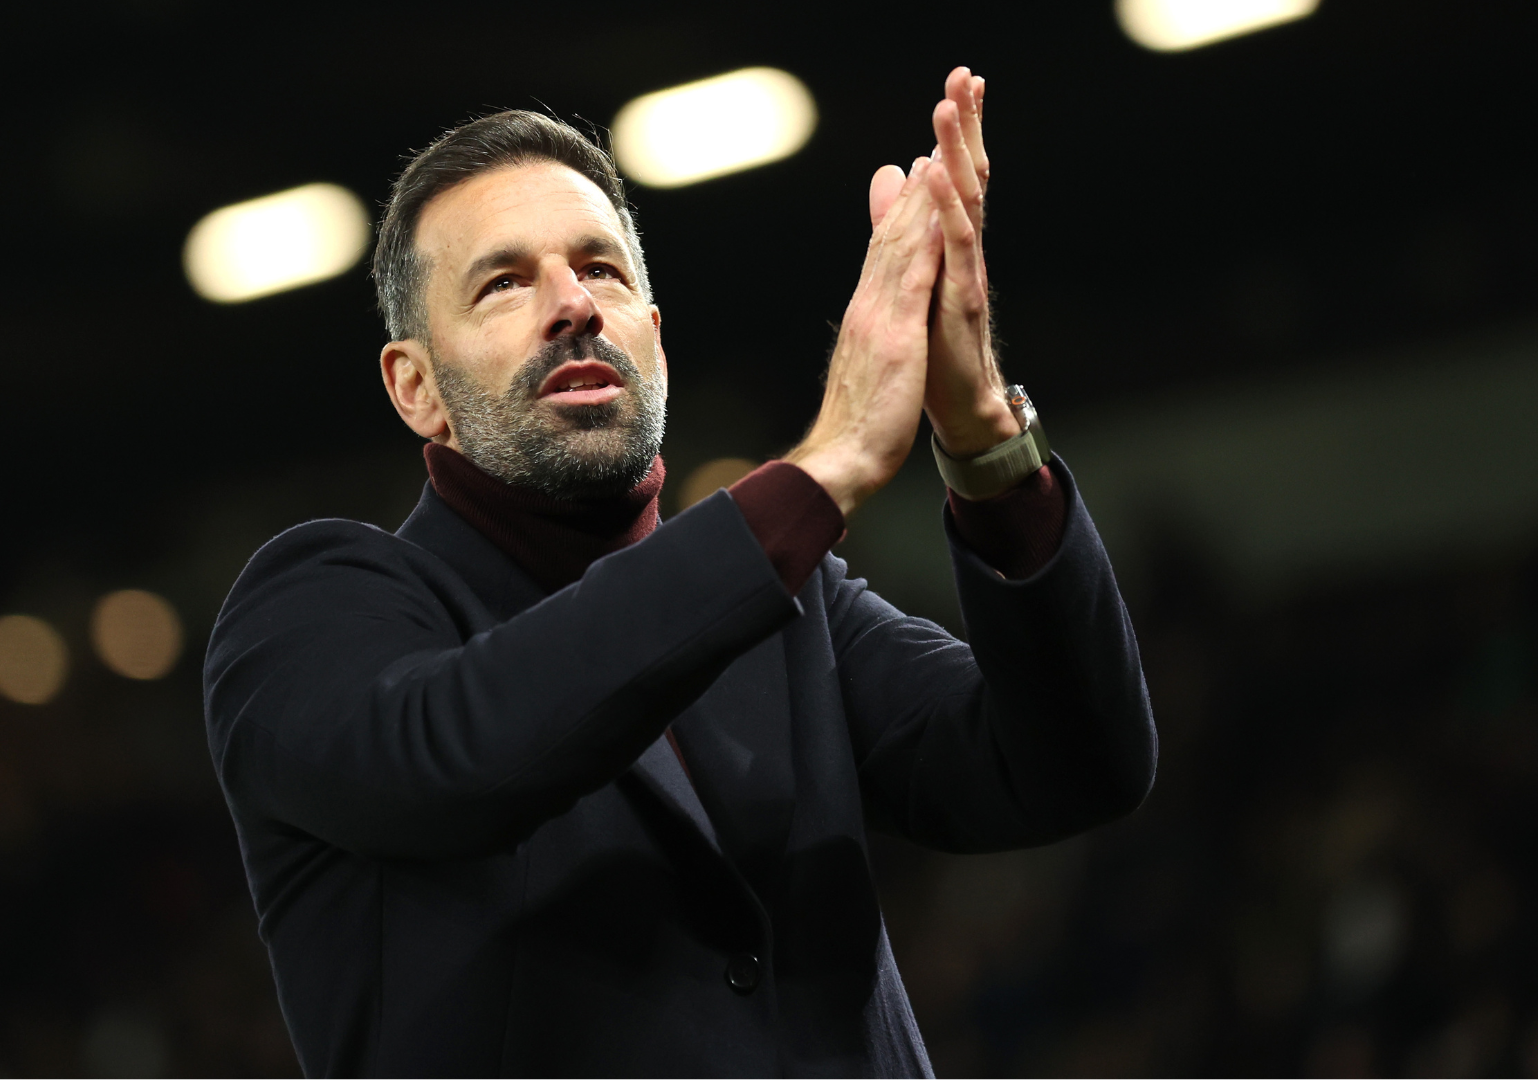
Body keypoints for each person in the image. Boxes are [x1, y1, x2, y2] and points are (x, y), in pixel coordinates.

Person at [204, 67, 1156, 1077]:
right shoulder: (313, 604)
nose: (573, 305)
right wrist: (823, 468)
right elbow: (458, 756)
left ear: (653, 340)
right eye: (504, 283)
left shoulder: (791, 606)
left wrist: (987, 441)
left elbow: (1073, 769)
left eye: (602, 270)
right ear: (416, 387)